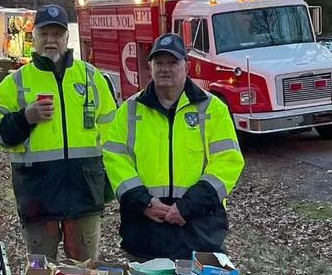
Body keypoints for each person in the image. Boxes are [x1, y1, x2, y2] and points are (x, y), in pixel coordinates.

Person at [0, 4, 116, 260]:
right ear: (34, 37)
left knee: (85, 273)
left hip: (84, 194)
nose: (50, 40)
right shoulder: (16, 82)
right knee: (41, 273)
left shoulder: (90, 78)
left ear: (67, 37)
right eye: (44, 34)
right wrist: (25, 118)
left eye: (57, 34)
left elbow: (114, 136)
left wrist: (107, 185)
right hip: (37, 195)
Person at [103, 33, 245, 261]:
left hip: (199, 231)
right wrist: (144, 203)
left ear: (186, 67)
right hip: (145, 232)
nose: (165, 69)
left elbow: (228, 162)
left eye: (172, 62)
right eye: (159, 62)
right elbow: (115, 160)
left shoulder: (213, 109)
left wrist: (187, 207)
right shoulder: (129, 111)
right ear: (150, 67)